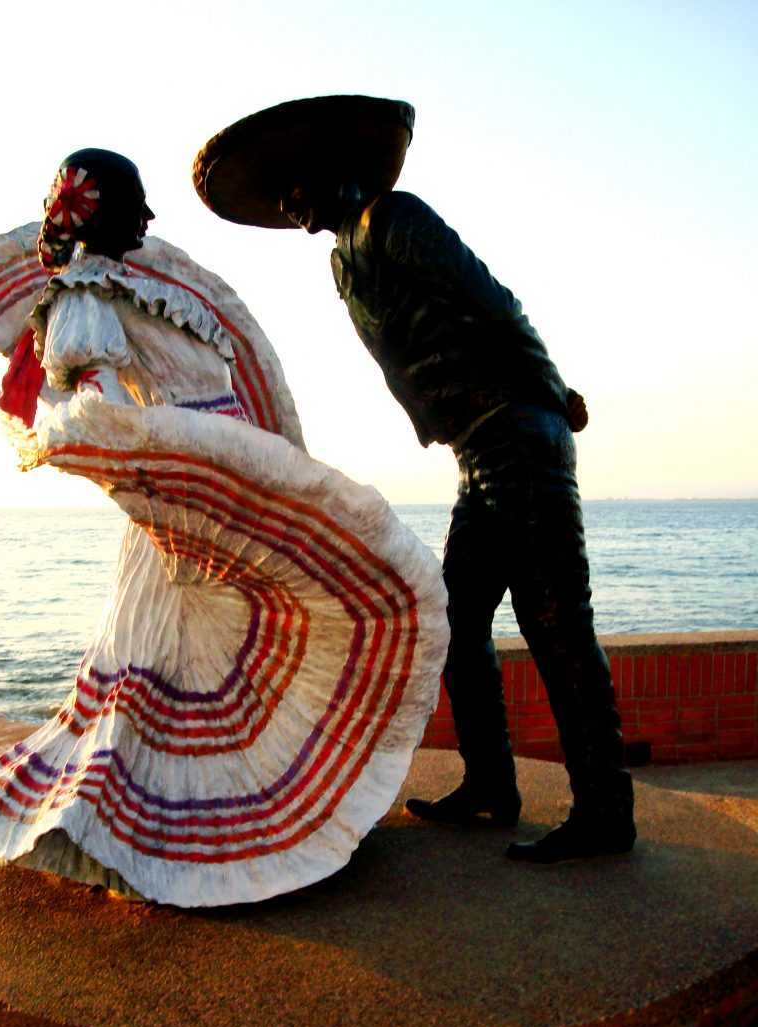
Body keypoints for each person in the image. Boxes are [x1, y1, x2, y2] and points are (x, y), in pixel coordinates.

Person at [0, 148, 449, 905]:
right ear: (103, 213)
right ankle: (139, 839)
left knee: (226, 657)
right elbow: (80, 400)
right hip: (183, 497)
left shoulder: (157, 285)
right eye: (135, 205)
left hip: (227, 480)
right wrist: (157, 461)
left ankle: (226, 826)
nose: (150, 219)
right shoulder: (84, 295)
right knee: (174, 668)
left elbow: (231, 381)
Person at [193, 96, 636, 863]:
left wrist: (555, 393)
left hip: (518, 435)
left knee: (556, 621)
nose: (289, 200)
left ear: (339, 172)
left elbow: (496, 304)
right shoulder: (345, 260)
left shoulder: (396, 220)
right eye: (281, 193)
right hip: (476, 451)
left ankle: (606, 811)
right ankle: (493, 788)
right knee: (454, 621)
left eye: (298, 183)